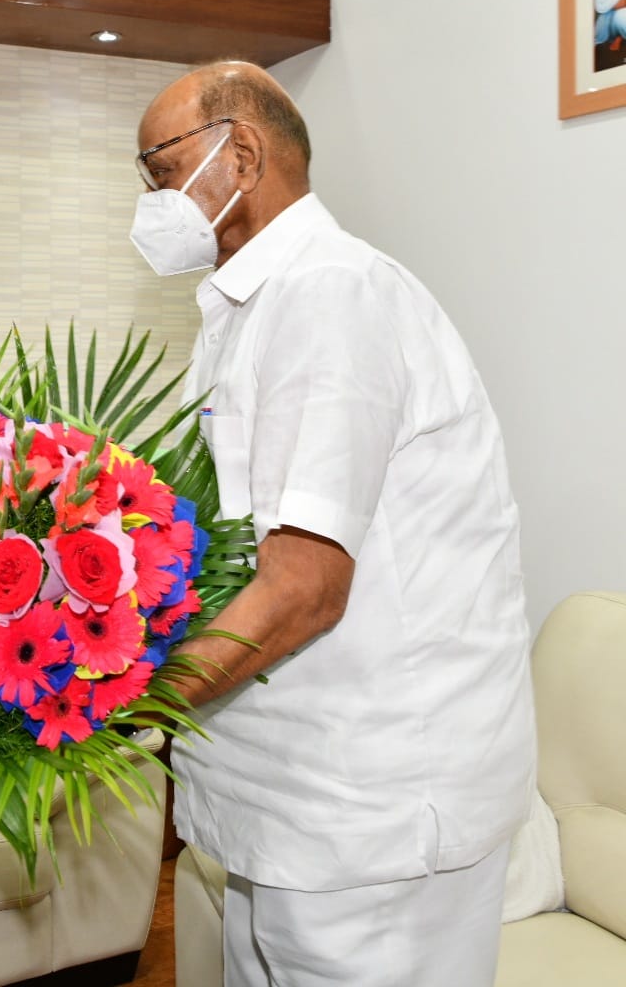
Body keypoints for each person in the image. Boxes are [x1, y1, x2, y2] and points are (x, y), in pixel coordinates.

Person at [129, 63, 536, 986]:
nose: (152, 200)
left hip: (370, 810)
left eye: (160, 167)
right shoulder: (248, 308)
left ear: (241, 154)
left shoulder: (334, 294)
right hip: (287, 800)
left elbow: (304, 589)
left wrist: (114, 710)